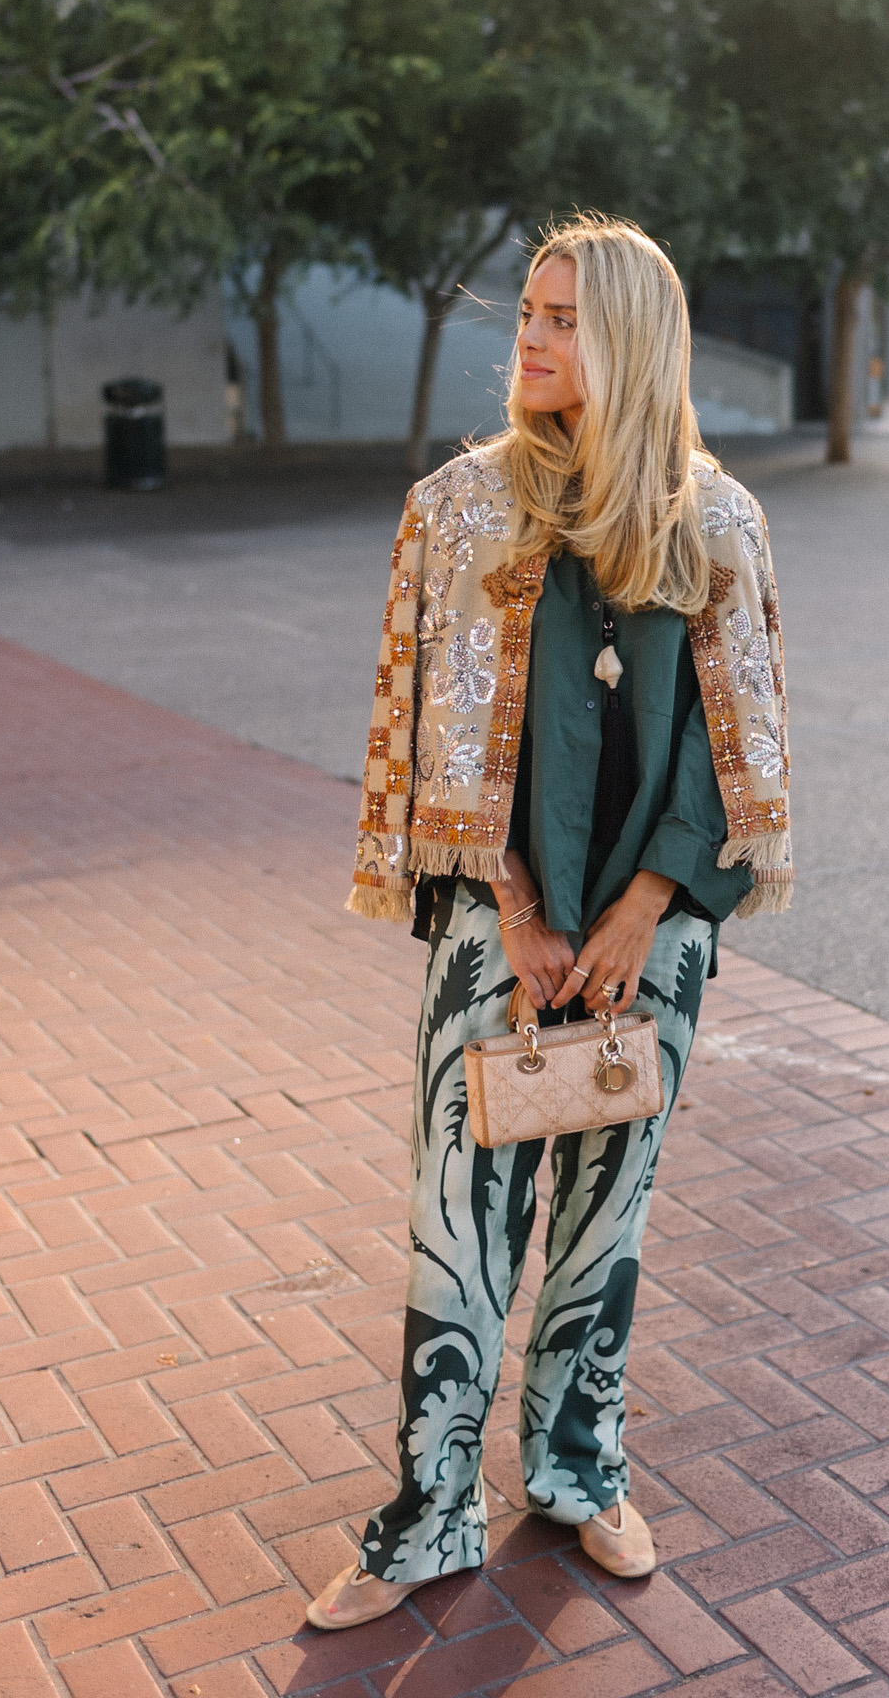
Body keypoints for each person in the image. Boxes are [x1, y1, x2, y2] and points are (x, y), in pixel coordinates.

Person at [307, 215, 793, 1630]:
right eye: (528, 310)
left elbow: (736, 745)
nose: (528, 335)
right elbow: (429, 731)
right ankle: (428, 1514)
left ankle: (579, 1474)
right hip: (494, 924)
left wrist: (644, 906)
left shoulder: (714, 521)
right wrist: (517, 909)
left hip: (659, 930)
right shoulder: (459, 507)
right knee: (457, 1224)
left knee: (605, 1217)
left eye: (565, 318)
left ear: (632, 340)